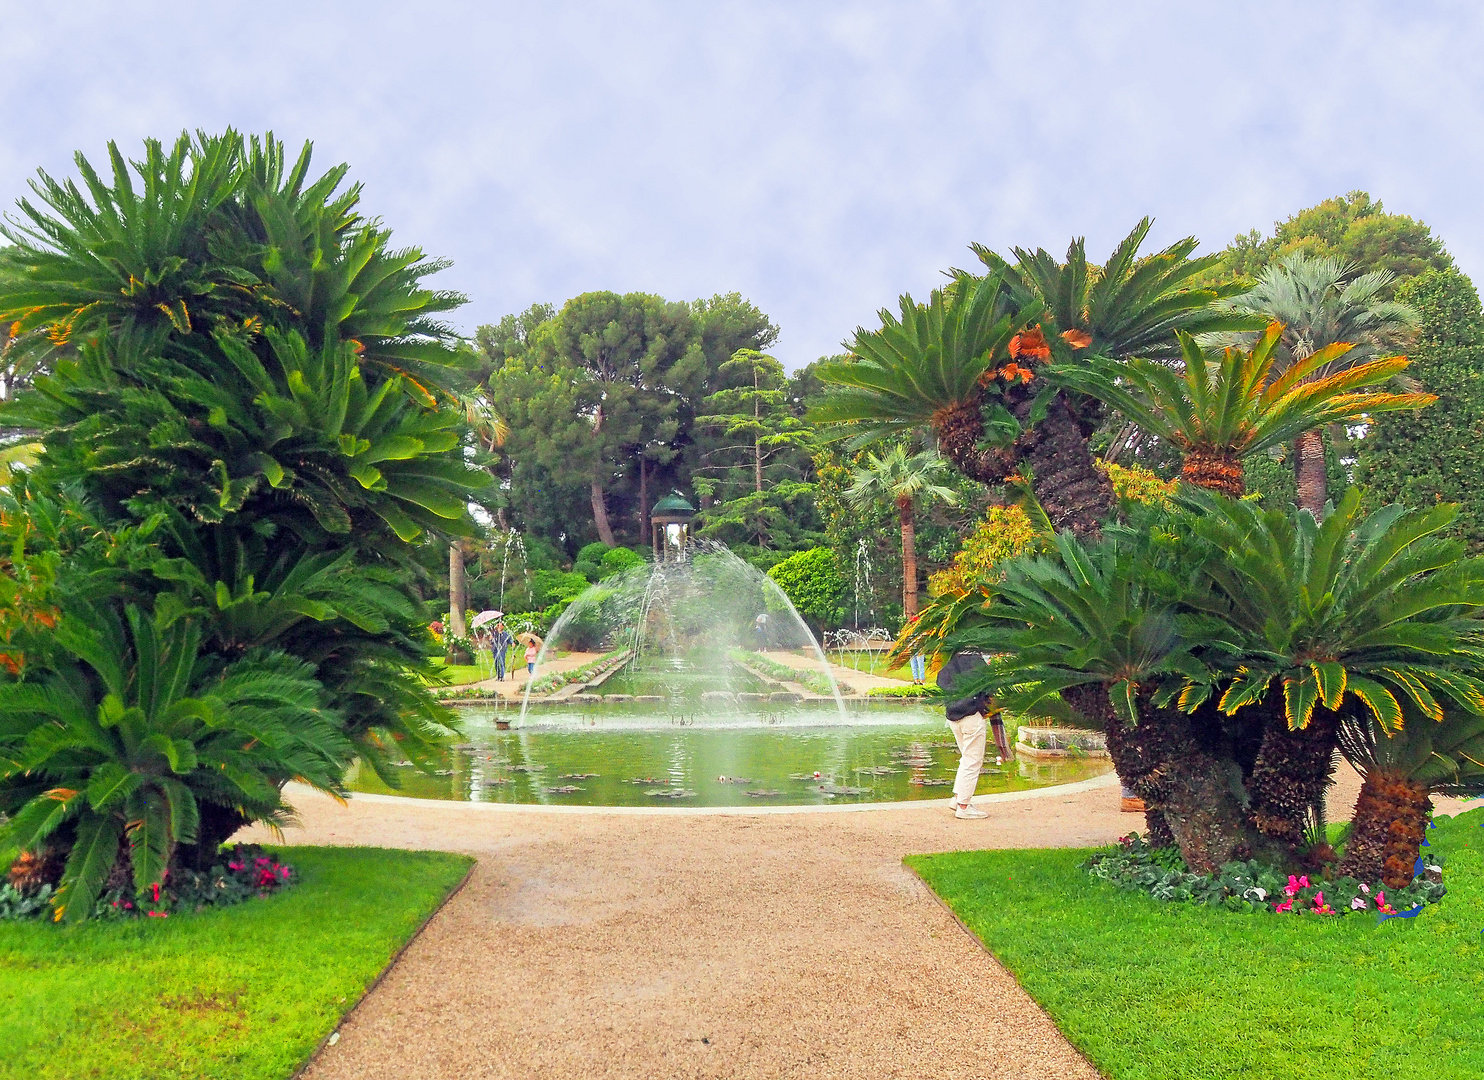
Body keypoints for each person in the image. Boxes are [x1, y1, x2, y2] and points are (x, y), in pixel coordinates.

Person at [936, 650, 1011, 820]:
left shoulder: (951, 658)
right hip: (971, 715)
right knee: (973, 760)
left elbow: (941, 681)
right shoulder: (973, 658)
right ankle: (964, 805)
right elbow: (990, 685)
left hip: (953, 715)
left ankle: (957, 798)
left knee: (966, 758)